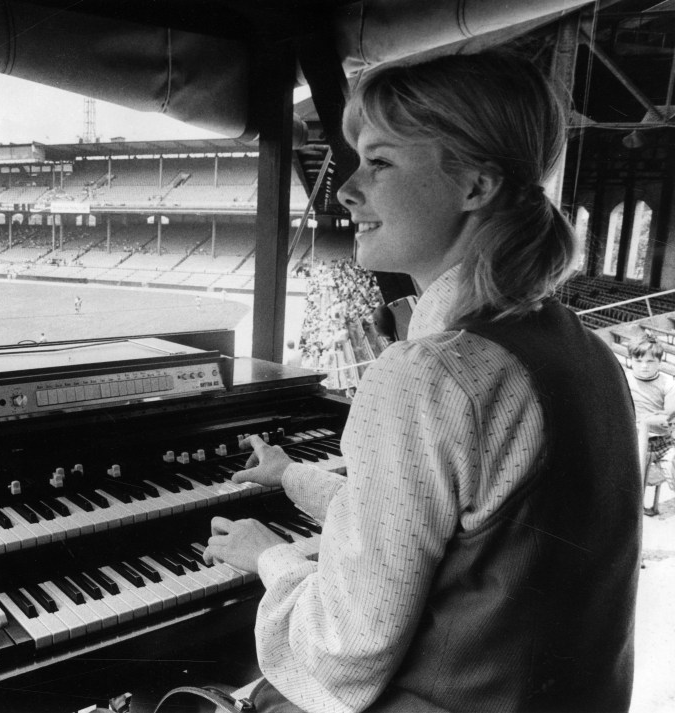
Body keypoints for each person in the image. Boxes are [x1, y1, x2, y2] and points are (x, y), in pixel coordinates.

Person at [202, 51, 641, 713]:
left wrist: (269, 557)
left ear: (475, 186)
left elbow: (340, 655)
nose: (347, 190)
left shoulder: (429, 373)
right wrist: (291, 475)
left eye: (379, 162)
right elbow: (424, 521)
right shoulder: (583, 349)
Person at [626, 333, 675, 516]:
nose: (644, 366)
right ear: (631, 360)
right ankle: (636, 514)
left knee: (673, 466)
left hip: (663, 441)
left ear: (659, 362)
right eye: (638, 361)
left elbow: (668, 414)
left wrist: (653, 418)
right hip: (637, 442)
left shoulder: (667, 382)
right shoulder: (625, 380)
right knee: (634, 485)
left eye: (650, 361)